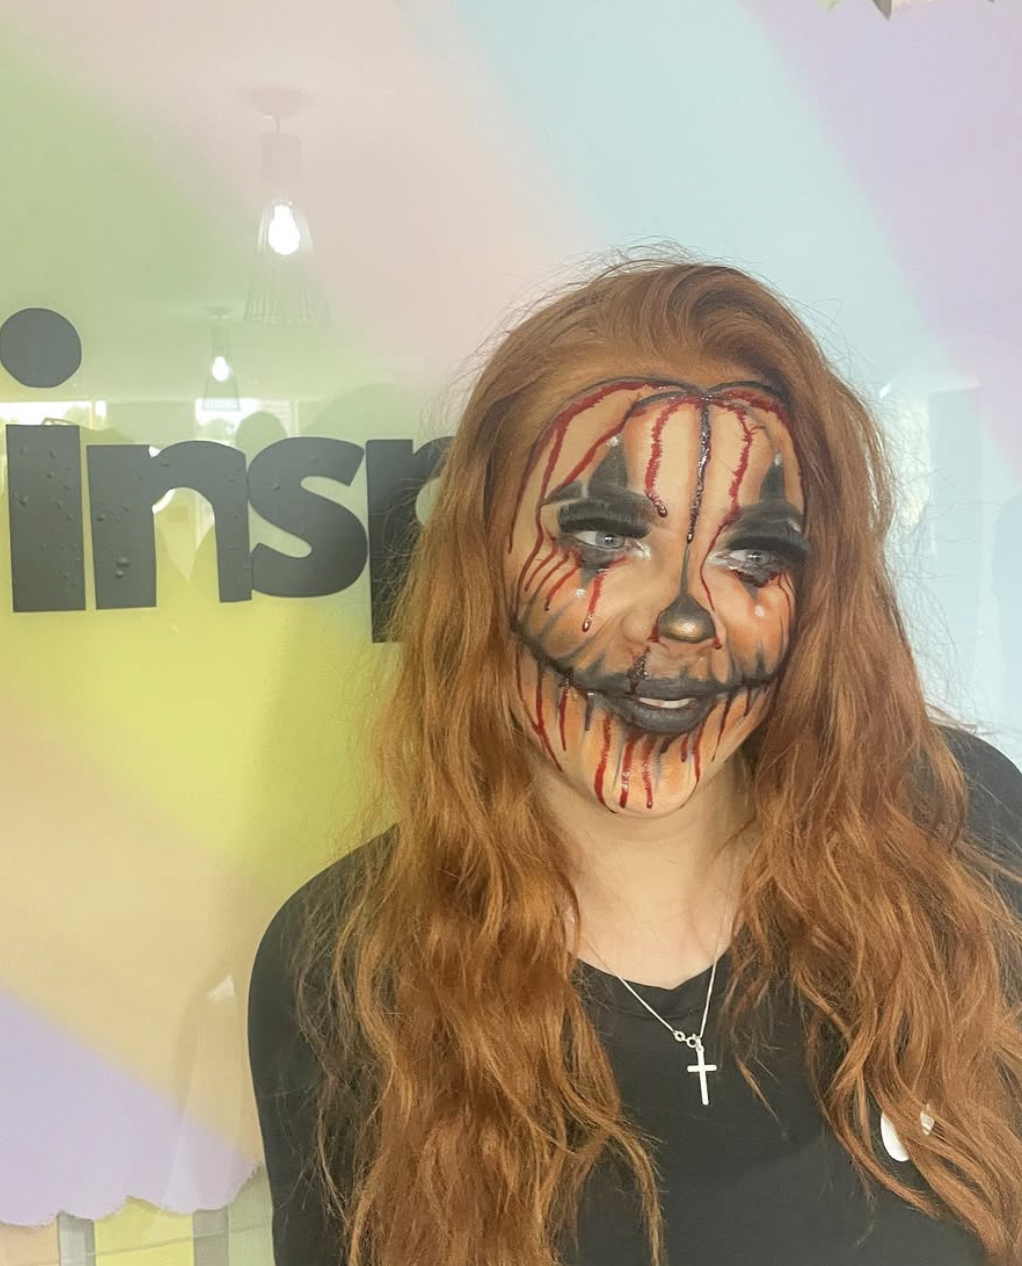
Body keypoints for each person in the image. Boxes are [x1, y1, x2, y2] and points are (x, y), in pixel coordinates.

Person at [247, 256, 1022, 1266]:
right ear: (482, 559)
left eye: (754, 555)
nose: (685, 617)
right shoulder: (346, 970)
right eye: (605, 537)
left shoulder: (961, 834)